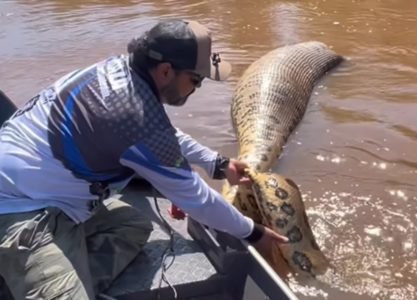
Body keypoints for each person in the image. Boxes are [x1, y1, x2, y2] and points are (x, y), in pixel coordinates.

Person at [0, 19, 288, 299]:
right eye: (195, 79)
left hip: (47, 188)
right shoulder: (134, 118)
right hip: (20, 210)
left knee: (133, 225)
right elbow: (197, 199)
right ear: (165, 71)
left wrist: (218, 164)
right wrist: (252, 232)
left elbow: (161, 134)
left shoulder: (117, 71)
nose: (196, 89)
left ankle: (60, 280)